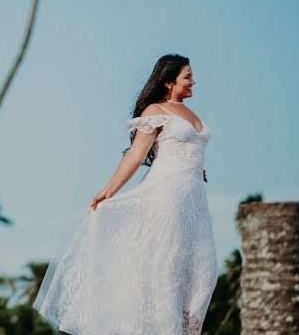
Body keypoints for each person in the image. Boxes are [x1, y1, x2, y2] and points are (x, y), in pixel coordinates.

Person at [34, 54, 216, 334]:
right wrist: (107, 191)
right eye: (187, 77)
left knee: (203, 269)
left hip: (193, 201)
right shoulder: (156, 111)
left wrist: (197, 168)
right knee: (165, 264)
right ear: (169, 82)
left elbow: (190, 150)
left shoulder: (191, 113)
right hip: (165, 197)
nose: (194, 81)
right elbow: (135, 155)